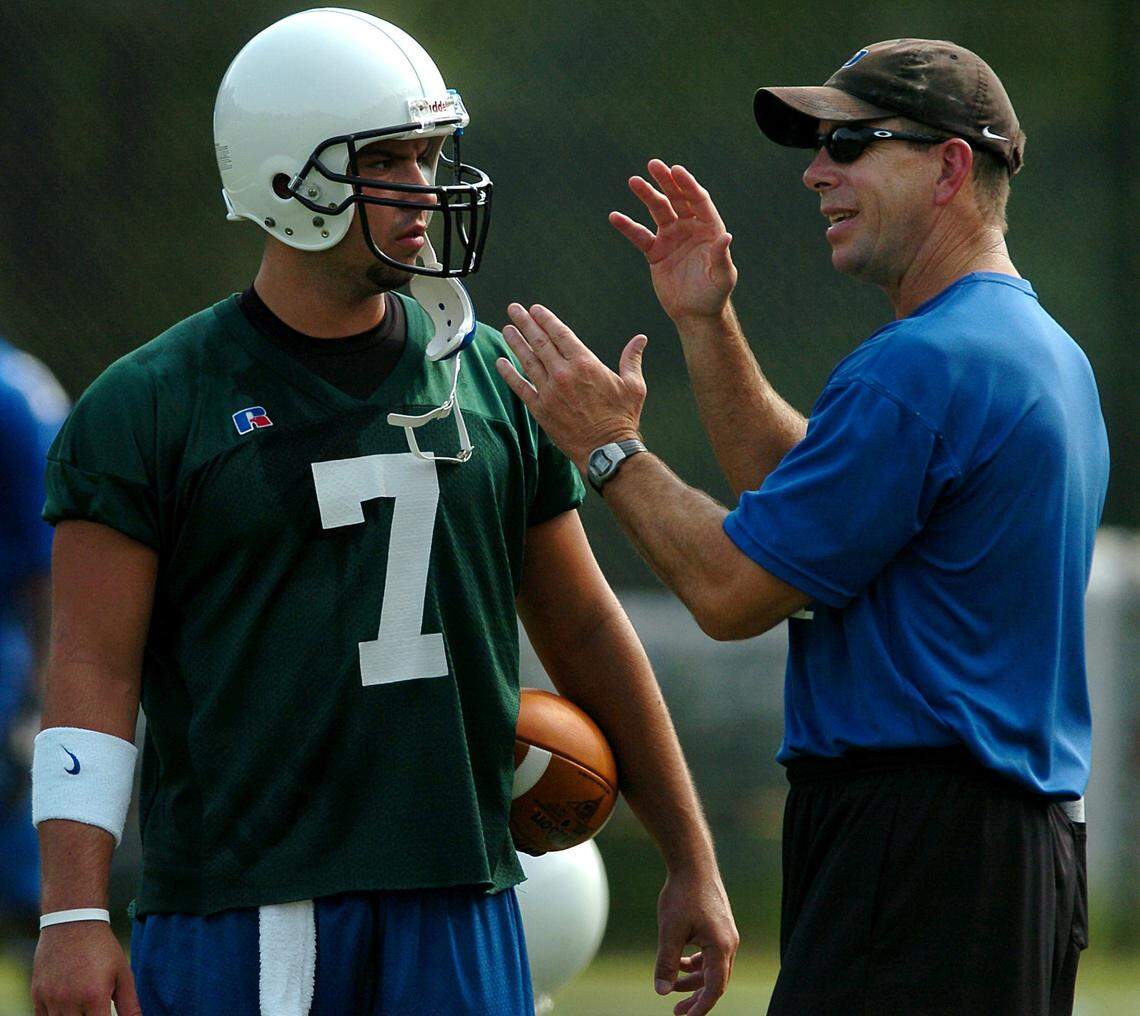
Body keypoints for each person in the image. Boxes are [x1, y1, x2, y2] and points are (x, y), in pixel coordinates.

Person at [29, 9, 737, 1016]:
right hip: (253, 902)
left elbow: (582, 625)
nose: (425, 186)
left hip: (462, 897)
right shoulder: (151, 403)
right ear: (288, 178)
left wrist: (690, 856)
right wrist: (71, 911)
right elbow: (92, 668)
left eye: (431, 151)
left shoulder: (492, 376)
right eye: (389, 158)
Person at [495, 38, 1109, 1016]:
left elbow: (736, 591)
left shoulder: (924, 368)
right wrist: (707, 321)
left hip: (918, 853)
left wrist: (607, 446)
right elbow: (807, 496)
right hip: (1014, 855)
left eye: (854, 143)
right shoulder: (1038, 353)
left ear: (951, 164)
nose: (818, 171)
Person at [0, 339, 68, 963]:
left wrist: (48, 696)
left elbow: (54, 562)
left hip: (7, 656)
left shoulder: (14, 390)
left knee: (26, 890)